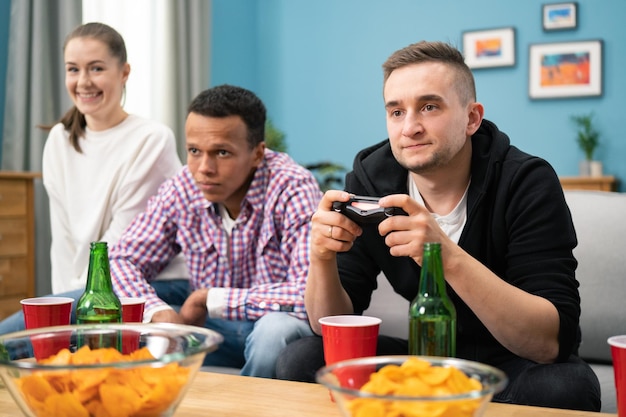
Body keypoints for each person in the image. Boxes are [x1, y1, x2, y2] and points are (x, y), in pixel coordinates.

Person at [275, 41, 601, 411]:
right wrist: (320, 258)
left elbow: (549, 343)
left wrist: (444, 253)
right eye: (396, 111)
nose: (410, 127)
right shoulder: (371, 181)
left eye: (429, 107)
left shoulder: (526, 182)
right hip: (426, 356)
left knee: (567, 388)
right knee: (301, 358)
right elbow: (329, 325)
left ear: (472, 118)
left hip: (512, 361)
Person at [108, 84, 323, 378]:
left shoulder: (292, 186)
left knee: (275, 330)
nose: (203, 168)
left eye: (222, 152)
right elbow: (121, 260)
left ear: (258, 153)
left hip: (271, 326)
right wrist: (156, 311)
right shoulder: (185, 185)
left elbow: (308, 292)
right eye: (194, 151)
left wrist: (209, 299)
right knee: (96, 304)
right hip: (209, 330)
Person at [0, 22, 188, 335]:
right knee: (37, 330)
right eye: (73, 69)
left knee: (14, 336)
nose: (83, 81)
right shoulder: (60, 140)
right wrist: (63, 309)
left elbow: (119, 249)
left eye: (96, 68)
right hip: (84, 292)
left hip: (150, 286)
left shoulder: (152, 139)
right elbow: (63, 243)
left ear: (124, 72)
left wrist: (74, 306)